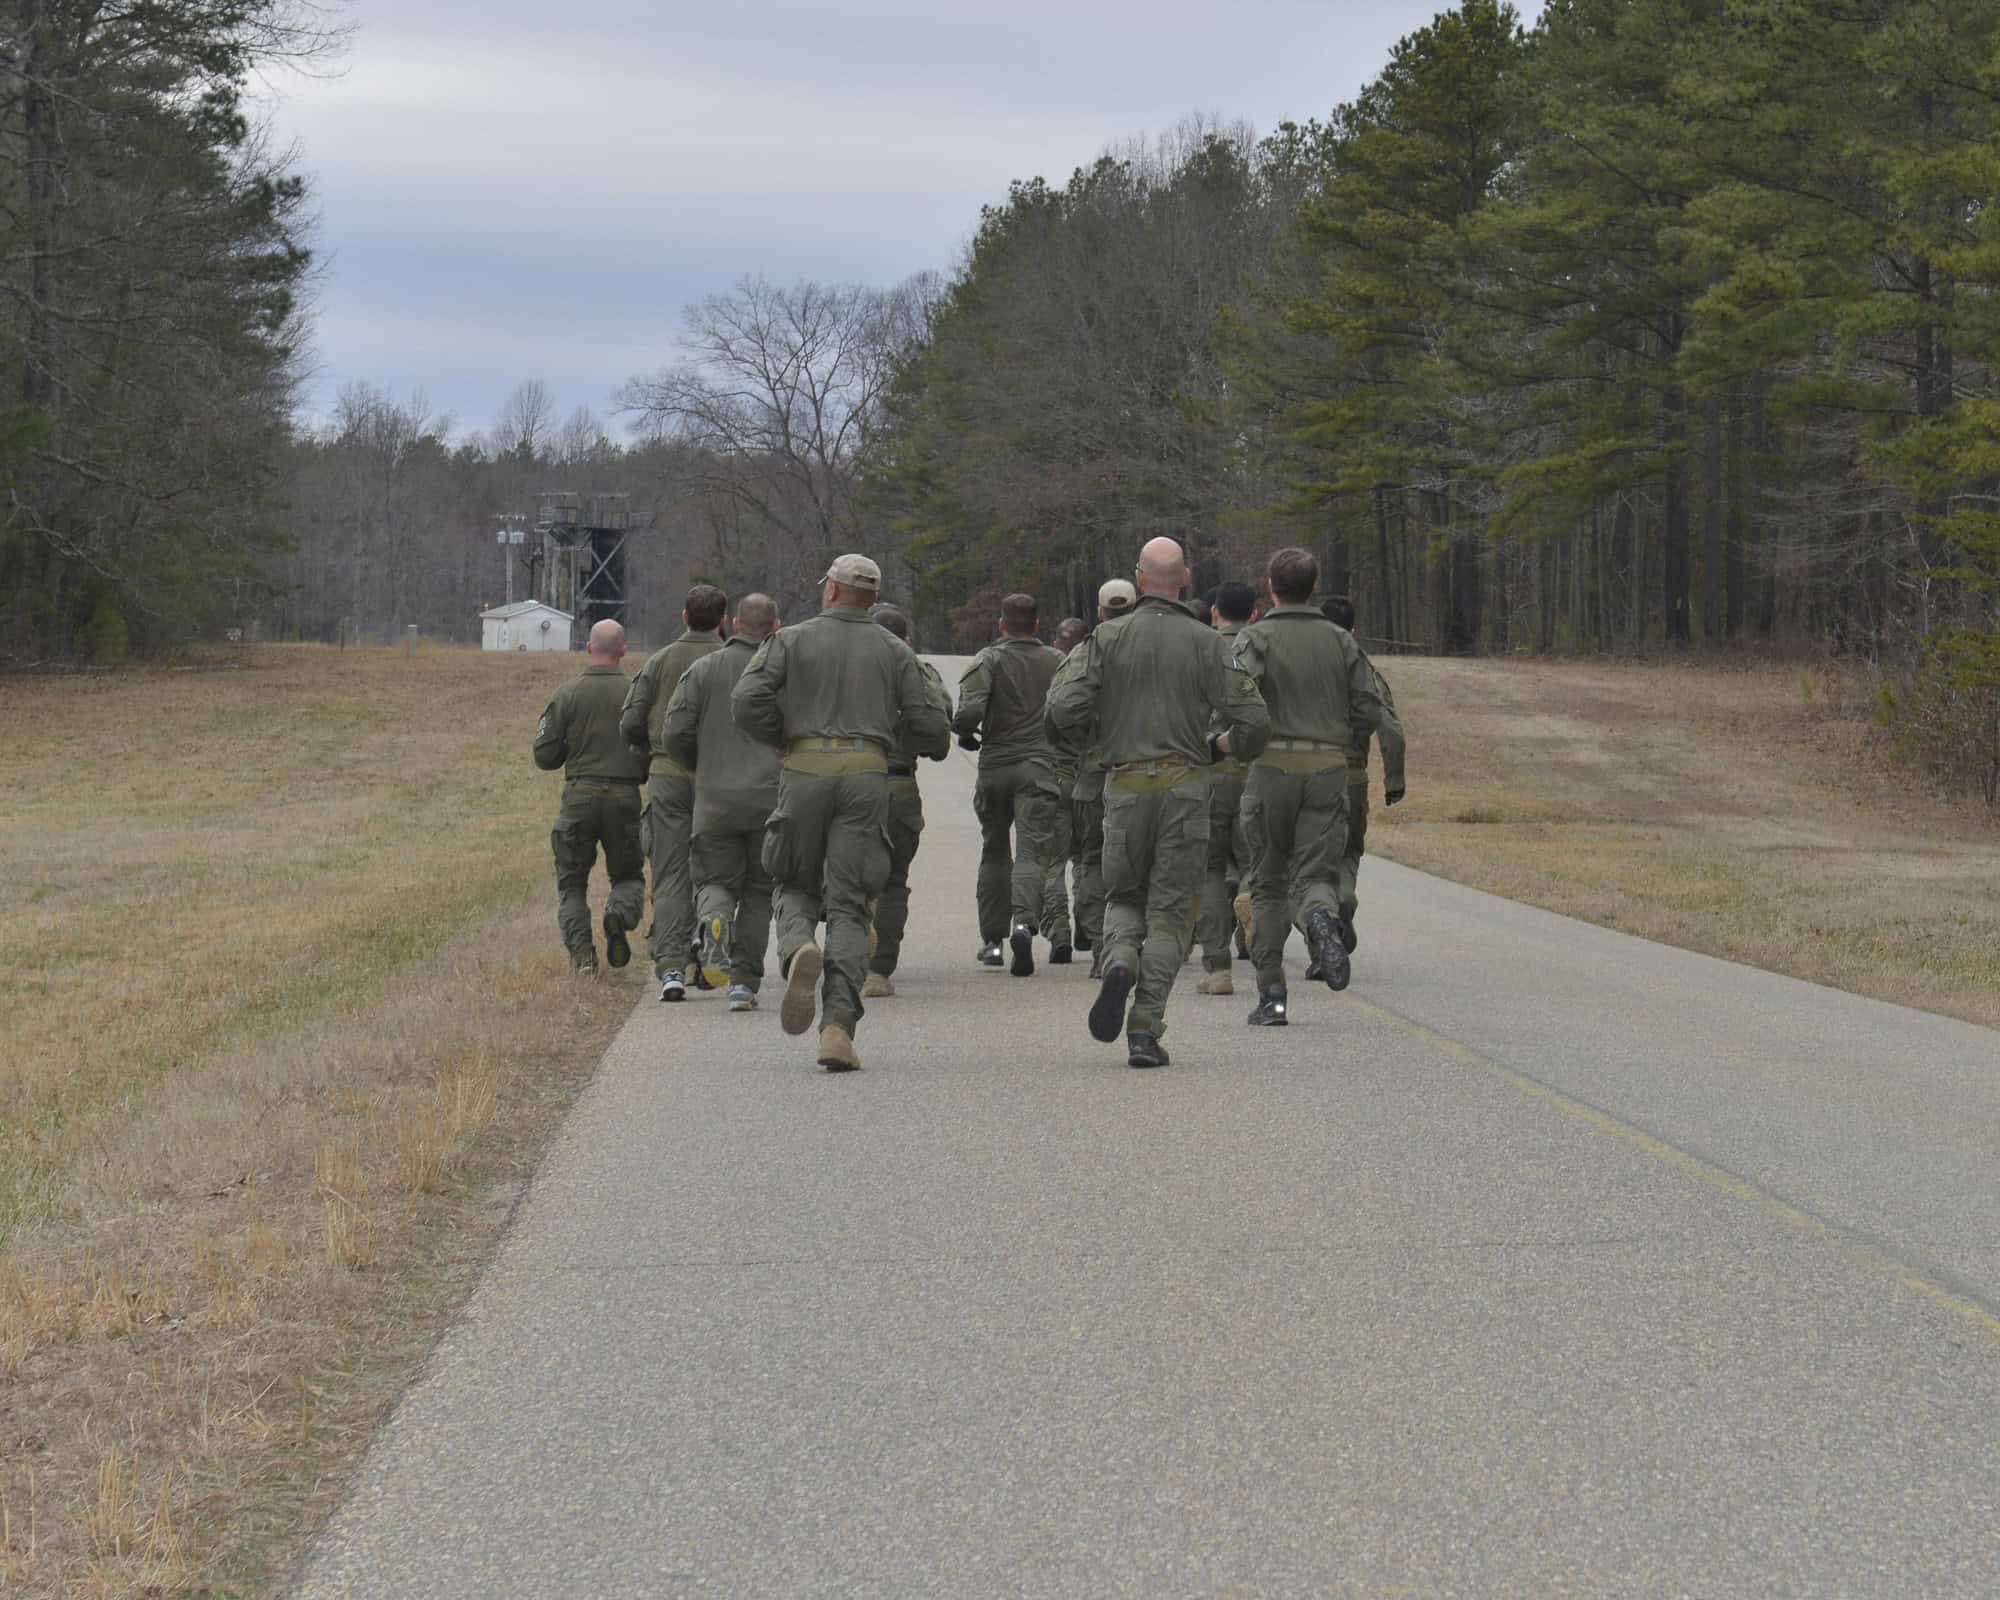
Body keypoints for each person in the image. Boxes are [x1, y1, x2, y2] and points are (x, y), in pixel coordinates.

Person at [1045, 540, 1268, 1067]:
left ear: (1140, 579)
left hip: (1123, 787)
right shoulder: (1209, 643)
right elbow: (1256, 721)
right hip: (1186, 786)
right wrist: (1219, 747)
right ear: (1185, 579)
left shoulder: (1104, 638)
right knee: (1170, 913)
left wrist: (1094, 743)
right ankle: (1144, 1030)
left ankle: (1120, 958)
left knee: (1124, 897)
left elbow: (1059, 709)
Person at [731, 554, 950, 1071]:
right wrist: (891, 739)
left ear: (830, 591)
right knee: (851, 905)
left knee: (791, 881)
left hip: (804, 768)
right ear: (872, 599)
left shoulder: (790, 640)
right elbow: (934, 727)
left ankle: (800, 946)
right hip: (867, 774)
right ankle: (837, 1029)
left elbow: (746, 699)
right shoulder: (896, 651)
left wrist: (783, 737)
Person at [1233, 549, 1392, 1028]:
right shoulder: (1342, 643)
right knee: (1316, 873)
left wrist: (1243, 741)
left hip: (1272, 766)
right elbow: (1370, 708)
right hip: (1328, 766)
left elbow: (1236, 700)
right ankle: (1321, 919)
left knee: (1267, 880)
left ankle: (1272, 996)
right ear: (1314, 585)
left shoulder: (1254, 638)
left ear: (1270, 586)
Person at [660, 594, 783, 1014]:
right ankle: (744, 984)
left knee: (715, 881)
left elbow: (674, 732)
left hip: (713, 798)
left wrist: (701, 766)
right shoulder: (783, 672)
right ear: (776, 626)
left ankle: (714, 925)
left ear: (733, 623)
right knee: (759, 891)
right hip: (769, 797)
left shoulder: (703, 669)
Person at [952, 593, 1069, 976]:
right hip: (1039, 768)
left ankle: (992, 942)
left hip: (996, 768)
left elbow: (969, 710)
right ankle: (1024, 924)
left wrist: (966, 731)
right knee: (1033, 853)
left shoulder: (989, 659)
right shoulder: (1057, 662)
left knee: (995, 850)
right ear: (1037, 624)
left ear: (1001, 624)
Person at [620, 585, 726, 1001]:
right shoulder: (734, 661)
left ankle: (670, 967)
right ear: (722, 619)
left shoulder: (660, 662)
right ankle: (710, 952)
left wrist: (648, 748)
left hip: (667, 774)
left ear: (684, 616)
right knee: (717, 870)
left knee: (670, 872)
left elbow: (629, 720)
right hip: (721, 777)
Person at [533, 619, 647, 972]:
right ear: (623, 650)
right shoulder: (636, 693)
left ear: (588, 647)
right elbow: (651, 748)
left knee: (572, 884)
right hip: (625, 797)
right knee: (628, 877)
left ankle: (583, 958)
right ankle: (617, 914)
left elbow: (544, 755)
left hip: (579, 797)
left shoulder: (567, 694)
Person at [864, 604, 952, 998]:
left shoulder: (848, 667)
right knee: (893, 881)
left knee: (845, 876)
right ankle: (878, 970)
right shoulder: (919, 672)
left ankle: (843, 955)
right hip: (899, 785)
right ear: (908, 640)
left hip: (848, 781)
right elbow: (937, 734)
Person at [1320, 594, 1406, 959]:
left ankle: (1320, 928)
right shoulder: (1365, 669)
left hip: (1310, 771)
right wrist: (1394, 780)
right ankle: (1344, 898)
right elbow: (1391, 730)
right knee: (1349, 850)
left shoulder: (1307, 665)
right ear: (1353, 630)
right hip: (1352, 774)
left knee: (1308, 859)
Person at [1058, 580, 1135, 973]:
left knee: (1090, 861)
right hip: (1142, 771)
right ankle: (1131, 944)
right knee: (1138, 862)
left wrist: (1077, 742)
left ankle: (1102, 947)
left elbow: (1060, 708)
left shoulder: (1086, 652)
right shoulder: (1151, 649)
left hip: (1092, 773)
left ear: (1101, 612)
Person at [1195, 579, 1260, 996]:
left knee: (1210, 868)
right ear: (1253, 614)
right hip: (1256, 770)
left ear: (1215, 612)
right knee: (1258, 859)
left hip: (1209, 768)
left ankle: (1217, 967)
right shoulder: (1263, 648)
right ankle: (1253, 912)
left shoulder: (1199, 649)